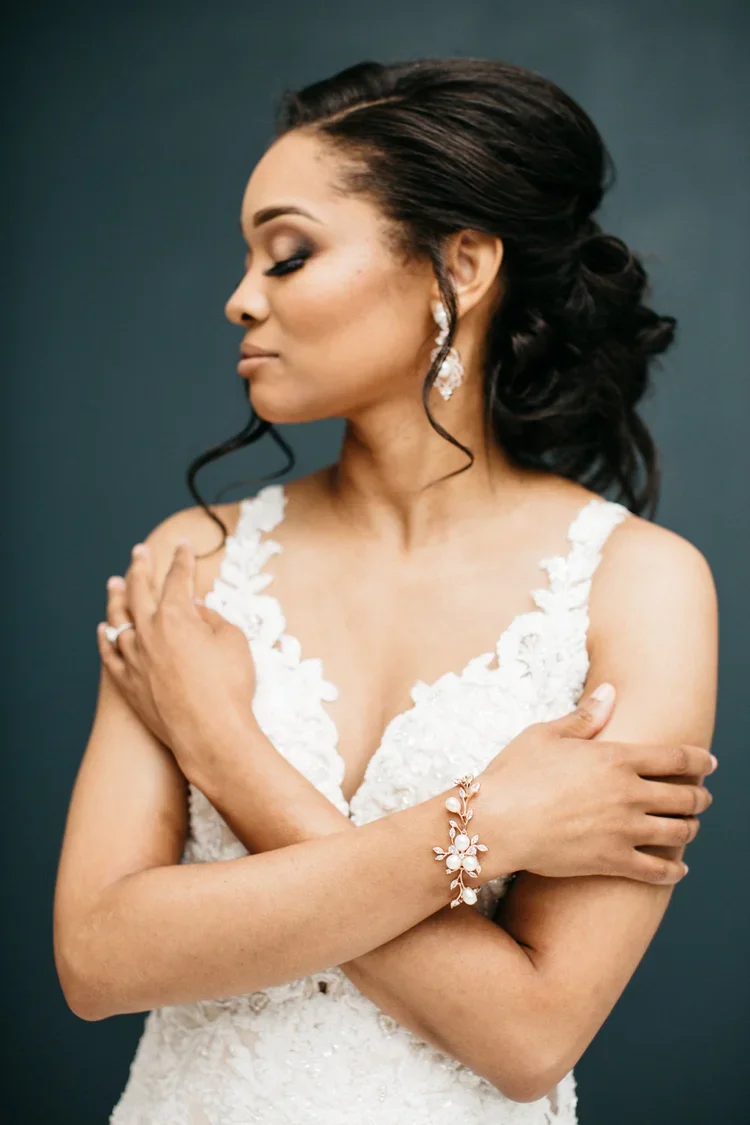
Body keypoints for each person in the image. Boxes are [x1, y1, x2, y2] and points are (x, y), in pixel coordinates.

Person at [53, 57, 718, 1125]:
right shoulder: (194, 559)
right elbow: (96, 958)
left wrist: (230, 755)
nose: (238, 298)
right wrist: (486, 826)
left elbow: (529, 1036)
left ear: (460, 266)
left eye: (288, 254)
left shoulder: (639, 586)